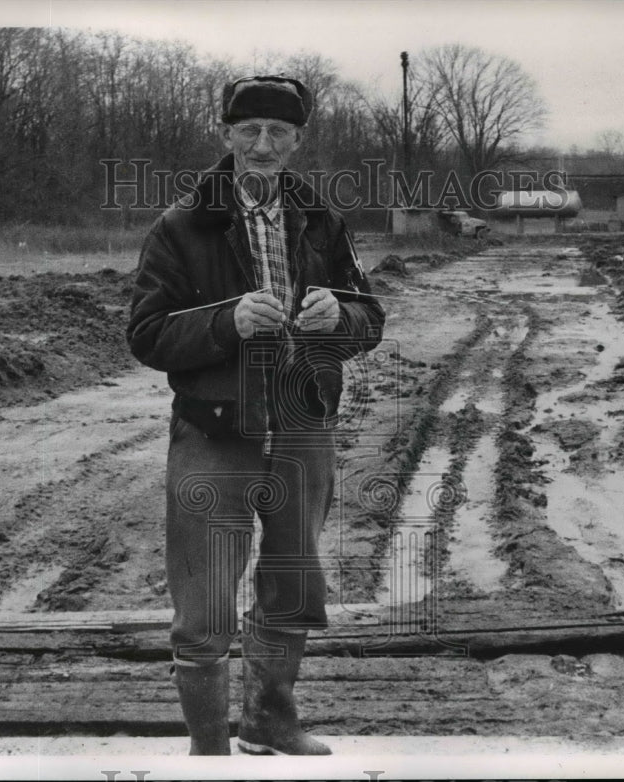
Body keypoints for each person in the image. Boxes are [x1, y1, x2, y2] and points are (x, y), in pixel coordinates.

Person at [127, 75, 385, 755]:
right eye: (249, 131)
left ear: (298, 140)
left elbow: (371, 318)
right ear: (225, 135)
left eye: (279, 132)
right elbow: (147, 335)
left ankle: (271, 720)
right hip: (215, 431)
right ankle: (209, 750)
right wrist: (225, 320)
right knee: (205, 605)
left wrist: (343, 315)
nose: (263, 145)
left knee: (293, 584)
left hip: (303, 427)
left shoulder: (322, 221)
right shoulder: (182, 225)